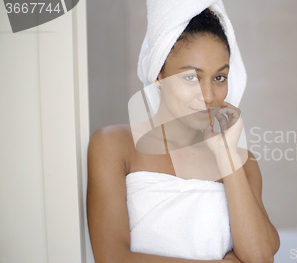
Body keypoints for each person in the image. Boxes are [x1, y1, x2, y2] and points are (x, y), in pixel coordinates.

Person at [86, 5, 280, 263]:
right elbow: (111, 258)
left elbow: (260, 257)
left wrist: (226, 157)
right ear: (159, 74)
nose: (209, 96)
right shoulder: (113, 146)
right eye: (191, 77)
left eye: (219, 77)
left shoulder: (243, 162)